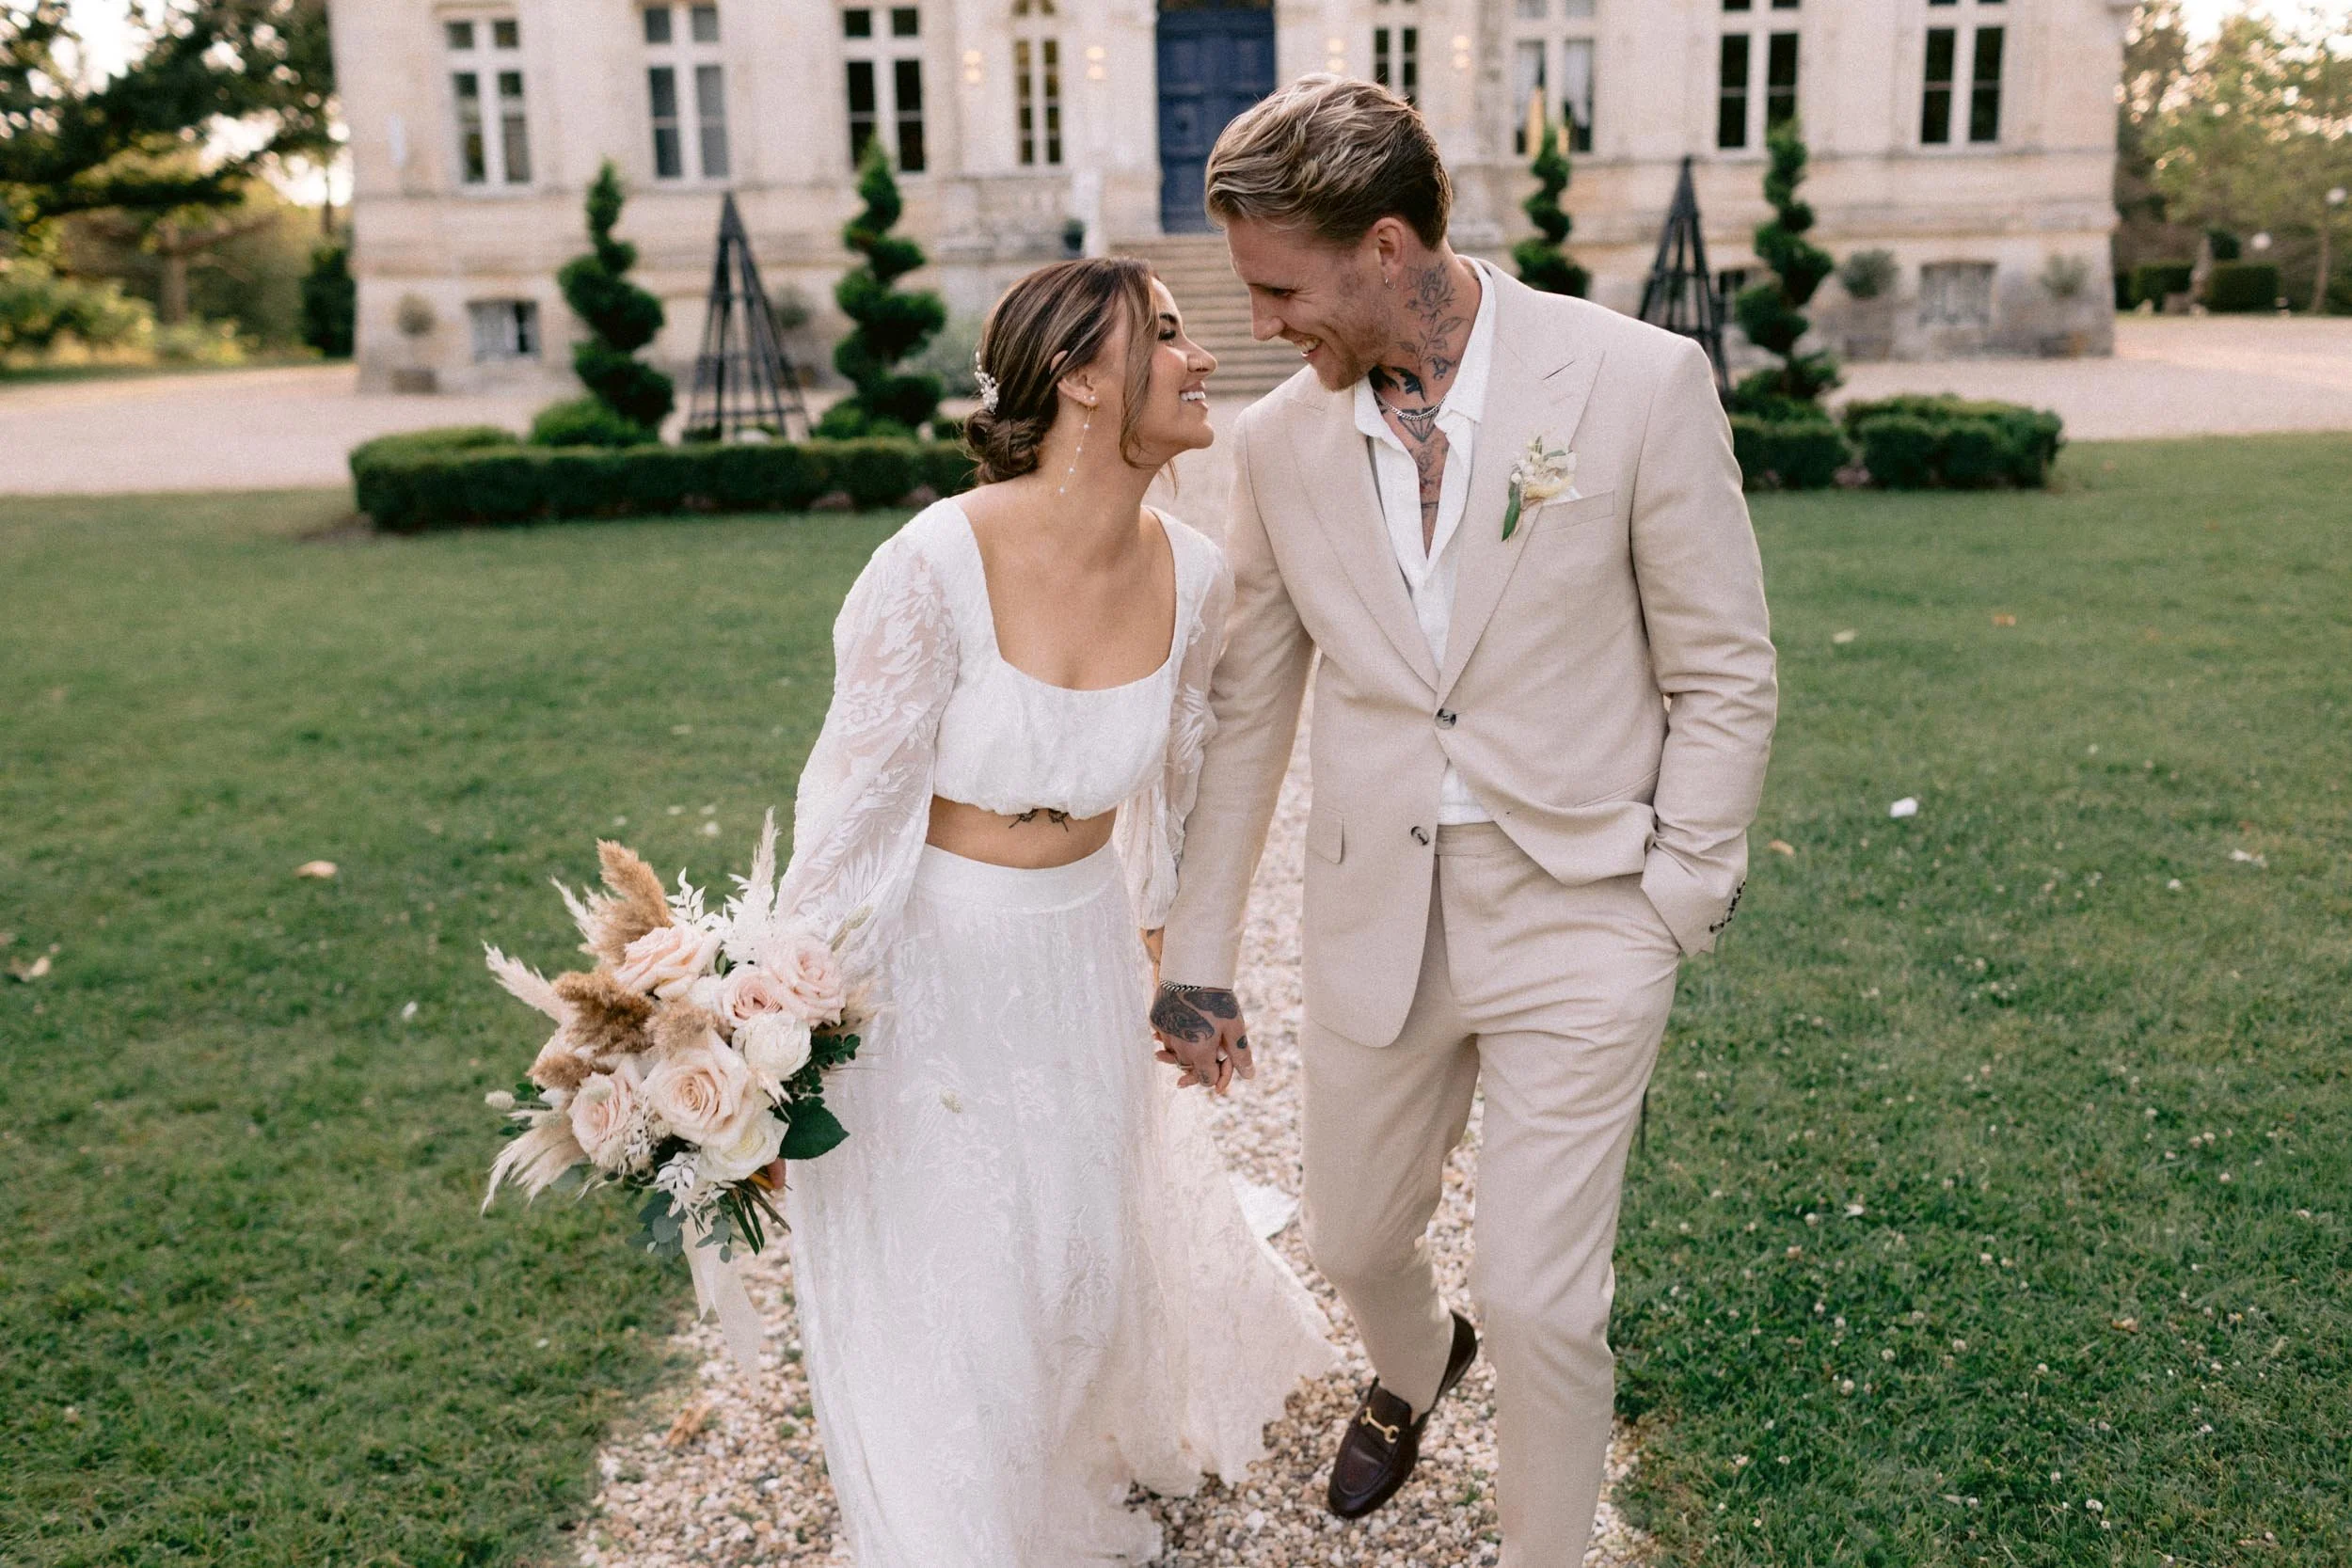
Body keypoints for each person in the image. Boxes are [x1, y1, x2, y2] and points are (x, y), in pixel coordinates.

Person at [1149, 77, 1778, 1563]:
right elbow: (1251, 708)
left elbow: (1723, 668)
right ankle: (1419, 1358)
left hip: (1588, 911)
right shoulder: (1279, 445)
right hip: (1379, 914)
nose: (1259, 327)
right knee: (1354, 1237)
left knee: (1548, 1302)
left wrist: (1679, 892)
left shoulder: (1636, 383)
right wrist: (1202, 952)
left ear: (1386, 247)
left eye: (1279, 290)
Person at [773, 256, 1335, 1567]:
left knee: (1073, 1262)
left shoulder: (1197, 575)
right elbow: (849, 814)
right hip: (930, 960)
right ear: (1083, 378)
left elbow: (1181, 802)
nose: (1204, 359)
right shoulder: (932, 562)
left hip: (1079, 950)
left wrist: (1188, 976)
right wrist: (774, 1030)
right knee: (957, 1280)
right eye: (1170, 336)